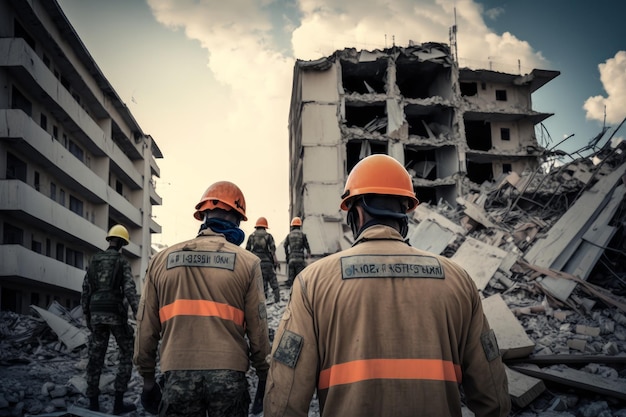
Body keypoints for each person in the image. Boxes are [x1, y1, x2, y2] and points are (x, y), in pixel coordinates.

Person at [264, 154, 511, 417]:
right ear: (406, 211)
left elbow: (285, 397)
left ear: (356, 212)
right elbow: (493, 394)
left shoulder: (313, 282)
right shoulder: (458, 279)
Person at [133, 181, 270, 416]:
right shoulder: (248, 262)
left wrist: (147, 379)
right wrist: (264, 376)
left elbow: (146, 328)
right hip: (229, 376)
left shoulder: (161, 260)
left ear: (203, 215)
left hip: (176, 375)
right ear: (237, 218)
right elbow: (259, 332)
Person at [81, 224, 138, 415]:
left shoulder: (94, 260)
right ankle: (118, 402)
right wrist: (139, 314)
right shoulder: (121, 261)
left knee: (95, 357)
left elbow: (86, 290)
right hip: (114, 312)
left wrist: (87, 315)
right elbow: (129, 290)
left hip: (95, 312)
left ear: (109, 240)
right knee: (127, 350)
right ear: (122, 242)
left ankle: (93, 404)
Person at [246, 217, 281, 304]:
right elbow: (273, 251)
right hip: (267, 263)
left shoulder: (251, 236)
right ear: (265, 227)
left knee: (261, 283)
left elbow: (247, 252)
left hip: (256, 263)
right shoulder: (268, 236)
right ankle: (277, 300)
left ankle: (263, 302)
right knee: (273, 282)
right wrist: (276, 262)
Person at [283, 217, 311, 287]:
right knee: (300, 280)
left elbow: (285, 246)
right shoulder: (302, 235)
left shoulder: (289, 235)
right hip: (300, 260)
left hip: (291, 259)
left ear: (292, 226)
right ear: (300, 226)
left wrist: (287, 256)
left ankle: (291, 295)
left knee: (291, 281)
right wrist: (308, 256)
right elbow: (307, 247)